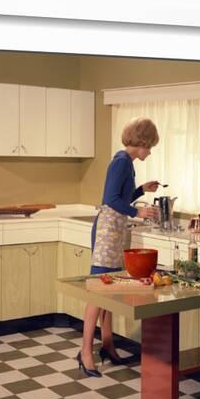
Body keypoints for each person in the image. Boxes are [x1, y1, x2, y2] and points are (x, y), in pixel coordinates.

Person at [77, 117, 161, 377]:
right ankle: (85, 352)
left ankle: (108, 344)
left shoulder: (127, 163)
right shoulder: (121, 162)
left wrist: (139, 190)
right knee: (97, 293)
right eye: (151, 146)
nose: (150, 151)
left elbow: (121, 196)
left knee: (108, 289)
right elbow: (110, 199)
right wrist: (139, 212)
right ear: (142, 142)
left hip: (114, 230)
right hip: (106, 231)